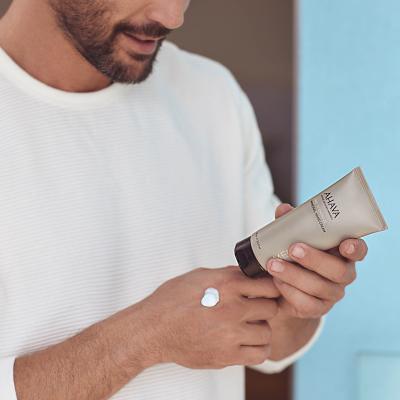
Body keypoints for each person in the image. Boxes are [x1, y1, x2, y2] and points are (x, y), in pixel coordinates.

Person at [0, 1, 368, 399]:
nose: (172, 17)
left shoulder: (210, 92)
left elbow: (274, 344)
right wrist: (142, 339)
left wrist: (296, 307)